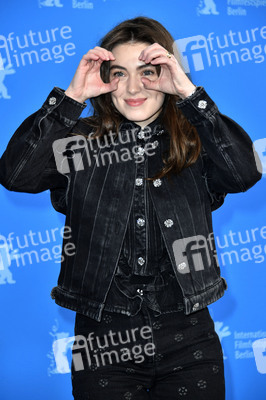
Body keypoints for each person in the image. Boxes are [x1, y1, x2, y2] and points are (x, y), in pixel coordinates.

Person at [0, 16, 261, 400]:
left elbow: (244, 172)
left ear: (168, 74)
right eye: (120, 73)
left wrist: (189, 94)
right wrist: (71, 97)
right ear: (106, 80)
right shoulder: (78, 142)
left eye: (149, 72)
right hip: (103, 344)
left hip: (189, 339)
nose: (135, 87)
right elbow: (16, 174)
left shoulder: (195, 140)